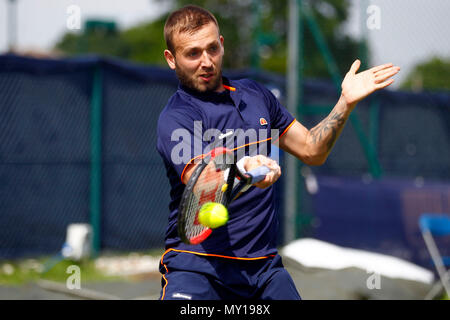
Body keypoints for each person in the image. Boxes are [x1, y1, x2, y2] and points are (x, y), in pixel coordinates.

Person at [156, 5, 399, 300]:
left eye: (211, 49)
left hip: (264, 272)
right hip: (197, 269)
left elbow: (312, 150)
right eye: (193, 53)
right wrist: (244, 168)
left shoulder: (257, 96)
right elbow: (201, 178)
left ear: (221, 45)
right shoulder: (176, 117)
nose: (206, 61)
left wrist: (345, 103)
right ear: (172, 59)